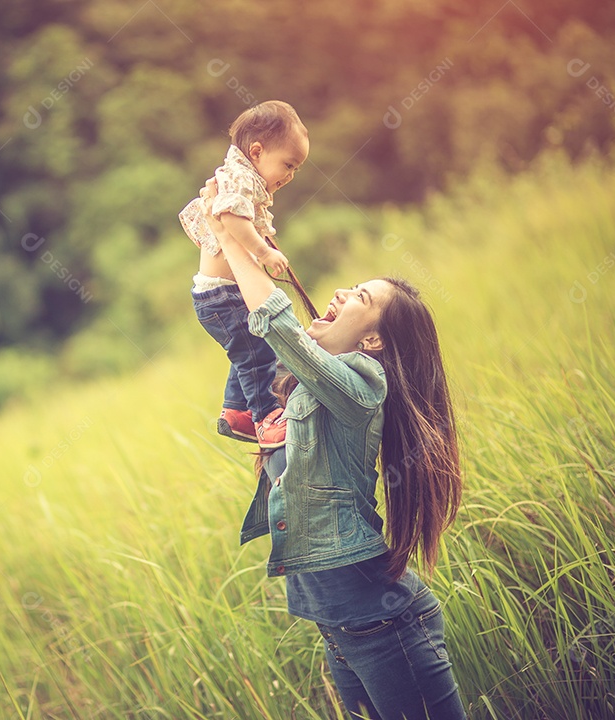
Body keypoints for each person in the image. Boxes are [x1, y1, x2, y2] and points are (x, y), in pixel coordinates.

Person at [201, 179, 468, 719]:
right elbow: (231, 316)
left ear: (373, 341)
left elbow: (277, 327)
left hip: (386, 623)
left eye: (361, 298)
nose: (343, 293)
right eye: (351, 286)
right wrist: (223, 222)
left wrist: (235, 236)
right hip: (343, 626)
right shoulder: (301, 388)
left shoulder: (364, 383)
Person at [179, 100, 309, 449]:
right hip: (222, 296)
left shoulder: (248, 181)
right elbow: (232, 219)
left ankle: (236, 412)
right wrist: (264, 251)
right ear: (256, 151)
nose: (290, 175)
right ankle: (266, 417)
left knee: (250, 350)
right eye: (288, 164)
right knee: (258, 353)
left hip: (223, 294)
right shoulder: (238, 177)